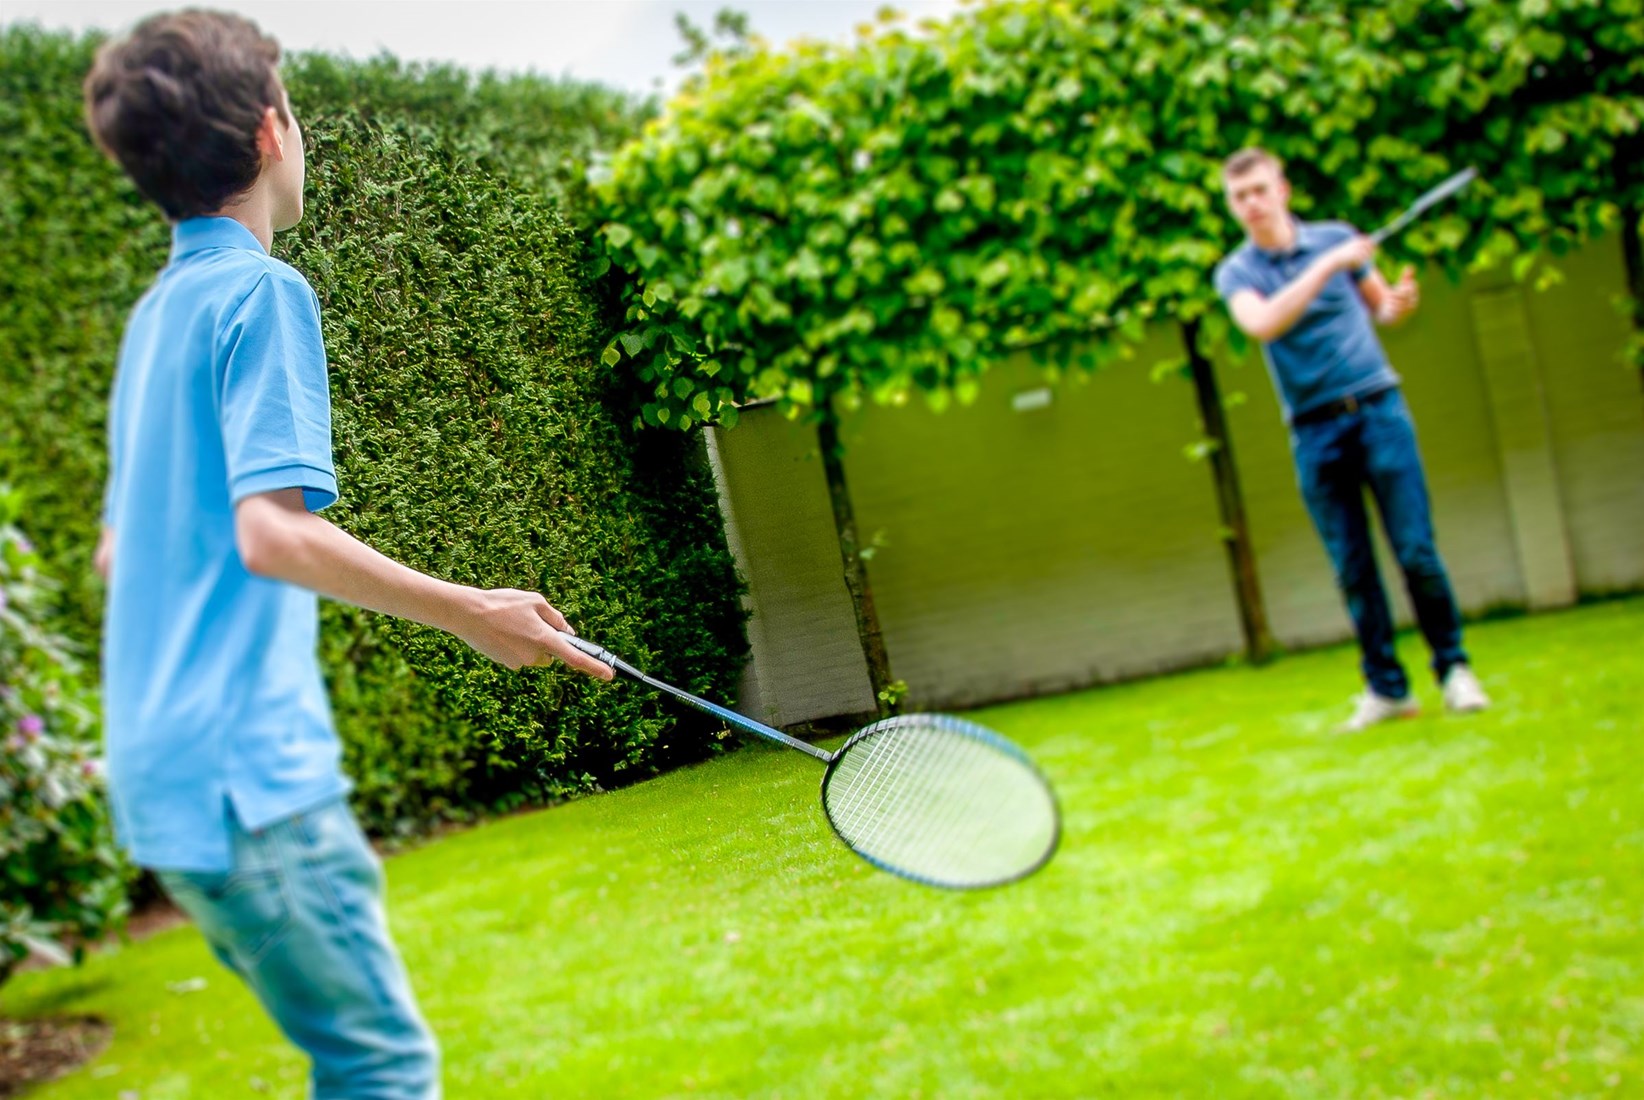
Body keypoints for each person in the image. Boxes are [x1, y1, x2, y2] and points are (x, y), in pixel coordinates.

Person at [83, 11, 614, 1096]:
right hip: (249, 784)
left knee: (354, 1057)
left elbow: (116, 552)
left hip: (169, 784)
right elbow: (271, 531)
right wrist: (475, 608)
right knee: (381, 1064)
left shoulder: (158, 319)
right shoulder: (260, 292)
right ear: (272, 132)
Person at [1213, 147, 1490, 733]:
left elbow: (1382, 308)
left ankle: (1455, 670)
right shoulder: (1238, 272)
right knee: (1352, 567)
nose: (1253, 204)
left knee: (1415, 549)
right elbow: (1262, 324)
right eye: (1240, 197)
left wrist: (1398, 302)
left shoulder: (1335, 239)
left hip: (1378, 409)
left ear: (1283, 188)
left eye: (1261, 190)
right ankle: (1387, 689)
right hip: (1313, 430)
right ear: (1231, 206)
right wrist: (1328, 265)